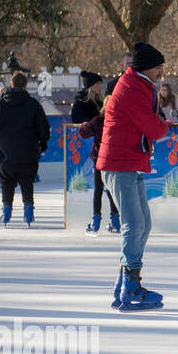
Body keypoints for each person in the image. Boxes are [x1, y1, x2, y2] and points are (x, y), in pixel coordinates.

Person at [98, 42, 170, 310]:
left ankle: (123, 284)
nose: (161, 72)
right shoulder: (131, 88)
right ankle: (131, 287)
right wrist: (164, 128)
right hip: (119, 163)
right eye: (158, 67)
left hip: (127, 161)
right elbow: (151, 125)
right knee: (134, 224)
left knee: (143, 224)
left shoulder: (137, 84)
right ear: (146, 67)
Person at [0, 71, 50, 227]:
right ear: (26, 86)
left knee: (7, 181)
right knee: (27, 181)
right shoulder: (33, 104)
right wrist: (43, 143)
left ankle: (6, 210)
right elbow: (44, 129)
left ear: (11, 85)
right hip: (29, 153)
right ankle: (28, 209)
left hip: (6, 154)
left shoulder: (0, 104)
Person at [71, 71, 120, 234]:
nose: (101, 86)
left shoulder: (99, 112)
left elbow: (85, 130)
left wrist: (88, 125)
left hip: (99, 154)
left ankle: (106, 219)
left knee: (105, 187)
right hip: (105, 155)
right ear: (91, 87)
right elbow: (77, 120)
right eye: (98, 84)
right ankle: (109, 219)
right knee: (105, 187)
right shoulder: (83, 103)